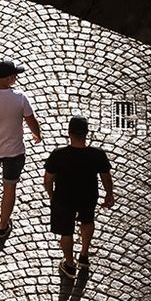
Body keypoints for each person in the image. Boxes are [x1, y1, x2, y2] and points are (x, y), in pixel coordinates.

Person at [41, 114, 115, 278]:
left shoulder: (58, 155)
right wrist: (109, 194)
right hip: (88, 197)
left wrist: (52, 196)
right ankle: (84, 254)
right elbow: (106, 177)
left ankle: (69, 264)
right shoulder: (97, 154)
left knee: (66, 232)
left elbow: (47, 180)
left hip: (63, 199)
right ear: (87, 133)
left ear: (69, 133)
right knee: (87, 221)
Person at [0, 59, 42, 234]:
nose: (16, 79)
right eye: (14, 76)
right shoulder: (20, 98)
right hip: (14, 152)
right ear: (7, 78)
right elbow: (31, 121)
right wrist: (37, 134)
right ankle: (3, 225)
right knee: (10, 187)